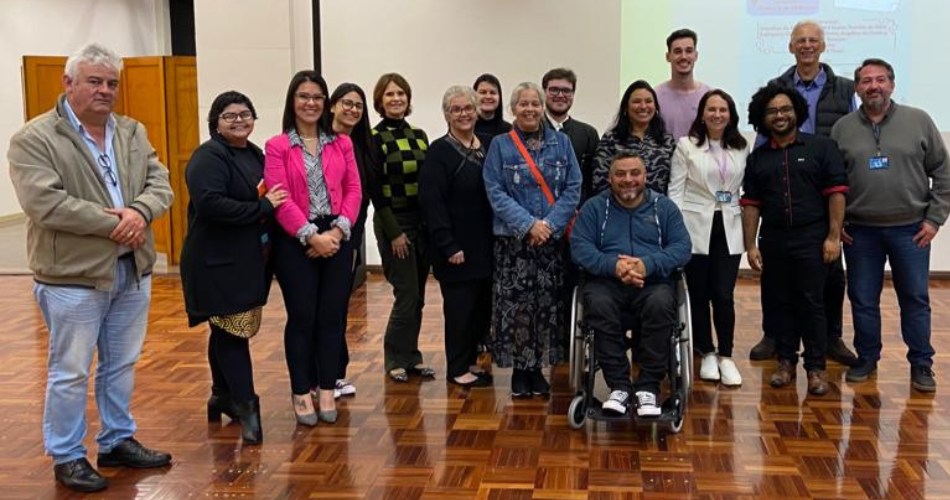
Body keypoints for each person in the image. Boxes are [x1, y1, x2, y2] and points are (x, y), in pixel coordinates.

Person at [8, 43, 174, 492]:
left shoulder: (132, 132)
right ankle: (66, 455)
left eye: (111, 83)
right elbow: (46, 203)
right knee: (71, 370)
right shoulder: (34, 138)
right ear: (69, 83)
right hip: (73, 278)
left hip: (131, 270)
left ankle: (117, 439)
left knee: (120, 364)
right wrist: (115, 223)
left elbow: (161, 183)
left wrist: (139, 211)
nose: (105, 91)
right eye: (94, 81)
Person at [831, 58, 950, 392]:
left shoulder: (919, 121)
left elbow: (943, 172)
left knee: (914, 298)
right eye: (866, 81)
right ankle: (867, 358)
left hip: (910, 230)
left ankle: (921, 365)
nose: (874, 86)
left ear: (892, 84)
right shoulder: (843, 128)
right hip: (859, 232)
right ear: (856, 88)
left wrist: (935, 218)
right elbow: (832, 182)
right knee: (862, 299)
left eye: (880, 80)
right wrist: (835, 222)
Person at [180, 91, 287, 444]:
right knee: (233, 331)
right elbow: (211, 205)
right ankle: (246, 406)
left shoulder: (254, 154)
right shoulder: (209, 156)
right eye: (230, 116)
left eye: (245, 113)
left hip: (245, 260)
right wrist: (264, 209)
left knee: (225, 328)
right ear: (215, 123)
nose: (239, 120)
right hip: (216, 262)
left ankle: (220, 395)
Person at [750, 19, 858, 366]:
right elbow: (762, 136)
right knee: (776, 280)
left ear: (823, 46)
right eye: (800, 41)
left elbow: (852, 136)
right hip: (783, 185)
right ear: (791, 47)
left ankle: (831, 338)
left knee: (829, 276)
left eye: (813, 40)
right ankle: (774, 337)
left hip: (826, 185)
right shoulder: (777, 86)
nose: (807, 46)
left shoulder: (843, 89)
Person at [265, 70, 362, 425]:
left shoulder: (342, 143)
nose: (310, 103)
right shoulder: (277, 146)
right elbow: (278, 196)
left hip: (337, 233)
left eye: (317, 97)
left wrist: (336, 233)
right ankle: (301, 391)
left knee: (332, 319)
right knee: (303, 318)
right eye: (303, 96)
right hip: (295, 239)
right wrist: (310, 236)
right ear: (293, 101)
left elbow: (354, 190)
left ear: (326, 103)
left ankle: (326, 388)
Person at [741, 83, 848, 396]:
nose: (780, 115)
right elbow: (751, 204)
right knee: (780, 302)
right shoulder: (758, 158)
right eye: (772, 111)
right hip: (774, 238)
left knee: (812, 303)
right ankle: (785, 362)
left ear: (797, 112)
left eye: (785, 109)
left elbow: (837, 194)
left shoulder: (821, 148)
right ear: (763, 117)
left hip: (813, 238)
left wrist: (833, 236)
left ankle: (815, 368)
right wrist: (750, 245)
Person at [571, 152, 691, 416]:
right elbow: (580, 248)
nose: (628, 180)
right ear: (610, 178)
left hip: (653, 284)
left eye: (634, 173)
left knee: (661, 303)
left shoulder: (664, 207)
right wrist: (615, 266)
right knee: (599, 304)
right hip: (606, 283)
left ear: (645, 176)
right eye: (620, 174)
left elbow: (682, 248)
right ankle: (620, 387)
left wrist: (646, 265)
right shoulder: (594, 208)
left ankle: (648, 387)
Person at [483, 82, 581, 397]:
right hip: (513, 243)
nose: (529, 109)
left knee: (546, 306)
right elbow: (494, 190)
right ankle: (519, 371)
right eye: (523, 104)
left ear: (542, 108)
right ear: (513, 109)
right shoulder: (500, 145)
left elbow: (573, 187)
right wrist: (528, 225)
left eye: (534, 104)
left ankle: (538, 368)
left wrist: (549, 225)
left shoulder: (562, 143)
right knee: (516, 308)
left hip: (550, 243)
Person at [668, 89, 747, 386]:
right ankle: (707, 351)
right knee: (699, 294)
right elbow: (675, 190)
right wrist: (675, 231)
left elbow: (743, 189)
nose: (717, 115)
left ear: (730, 114)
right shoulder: (686, 146)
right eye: (711, 109)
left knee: (724, 295)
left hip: (729, 225)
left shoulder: (741, 147)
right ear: (702, 114)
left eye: (723, 110)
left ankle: (726, 355)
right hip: (695, 226)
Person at [419, 86, 494, 387]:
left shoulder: (488, 144)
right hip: (456, 248)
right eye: (456, 109)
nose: (463, 114)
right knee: (459, 311)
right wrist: (447, 243)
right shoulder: (439, 151)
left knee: (479, 310)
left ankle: (469, 362)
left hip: (486, 245)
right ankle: (457, 369)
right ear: (446, 114)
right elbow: (431, 201)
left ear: (477, 111)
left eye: (468, 108)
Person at [370, 73, 435, 383]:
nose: (396, 99)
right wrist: (395, 232)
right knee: (406, 294)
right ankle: (394, 357)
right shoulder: (374, 138)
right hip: (393, 222)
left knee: (419, 296)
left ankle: (412, 356)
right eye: (389, 94)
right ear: (380, 101)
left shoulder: (419, 135)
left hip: (420, 222)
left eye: (401, 94)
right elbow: (377, 189)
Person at [327, 82, 378, 400]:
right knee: (319, 310)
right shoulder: (320, 142)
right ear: (332, 105)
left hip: (349, 237)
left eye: (358, 105)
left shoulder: (364, 146)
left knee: (337, 309)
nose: (352, 110)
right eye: (347, 103)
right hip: (317, 236)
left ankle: (334, 374)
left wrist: (351, 239)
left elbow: (362, 198)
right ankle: (317, 378)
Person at [591, 80, 676, 196]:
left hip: (659, 209)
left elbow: (675, 183)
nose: (643, 106)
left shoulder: (667, 140)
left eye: (649, 101)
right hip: (618, 208)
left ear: (656, 107)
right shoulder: (611, 139)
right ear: (626, 107)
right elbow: (599, 181)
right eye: (636, 101)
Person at [542, 68, 599, 202]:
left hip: (577, 213)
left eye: (567, 91)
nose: (560, 95)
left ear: (573, 94)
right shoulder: (529, 131)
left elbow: (592, 181)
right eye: (554, 89)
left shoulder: (588, 134)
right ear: (544, 92)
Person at [655, 29, 711, 141]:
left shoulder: (709, 97)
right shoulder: (654, 97)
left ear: (696, 55)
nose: (683, 57)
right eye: (677, 51)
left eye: (689, 51)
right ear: (667, 56)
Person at [473, 73, 512, 138]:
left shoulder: (509, 131)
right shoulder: (466, 129)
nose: (488, 96)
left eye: (493, 92)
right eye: (483, 92)